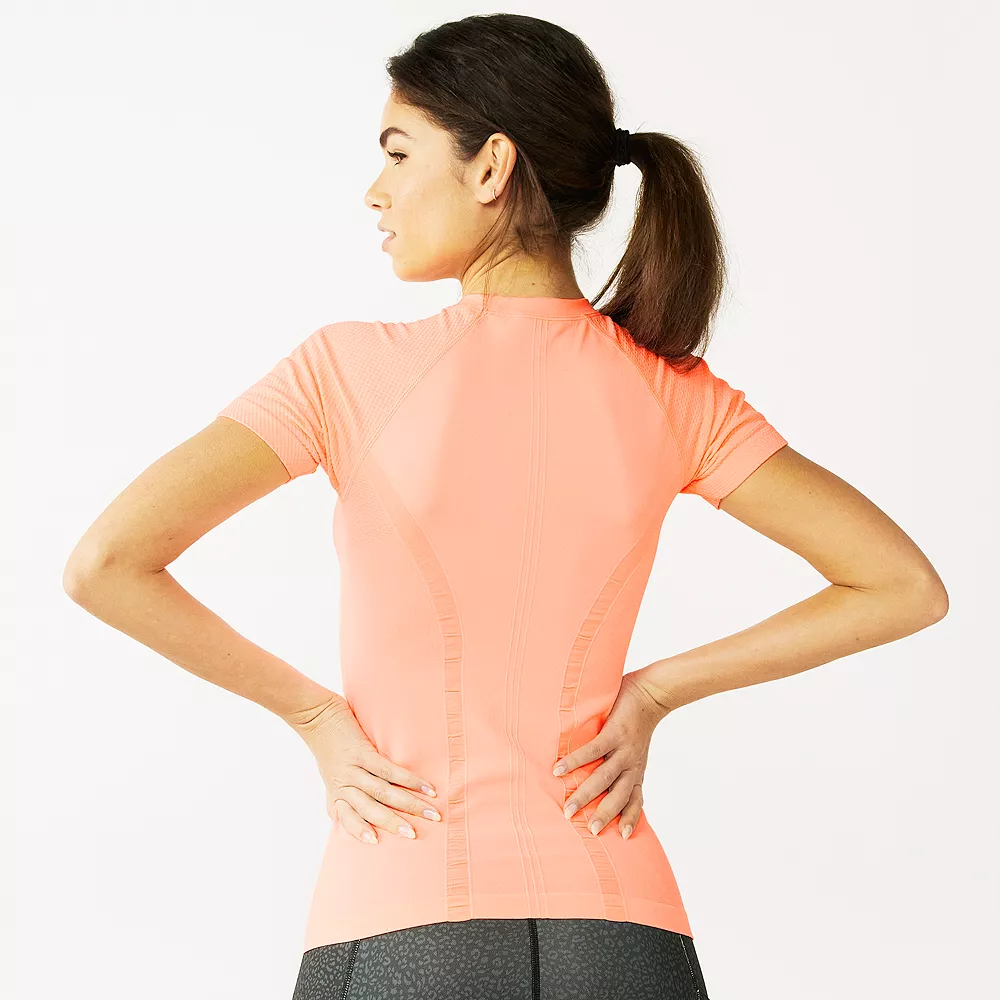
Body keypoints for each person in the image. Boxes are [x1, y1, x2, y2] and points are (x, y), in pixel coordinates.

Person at [63, 13, 949, 1000]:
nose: (376, 189)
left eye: (398, 153)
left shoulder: (348, 372)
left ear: (490, 167)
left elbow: (107, 564)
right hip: (624, 923)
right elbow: (901, 586)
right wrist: (654, 693)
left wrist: (315, 716)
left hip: (400, 904)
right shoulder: (674, 393)